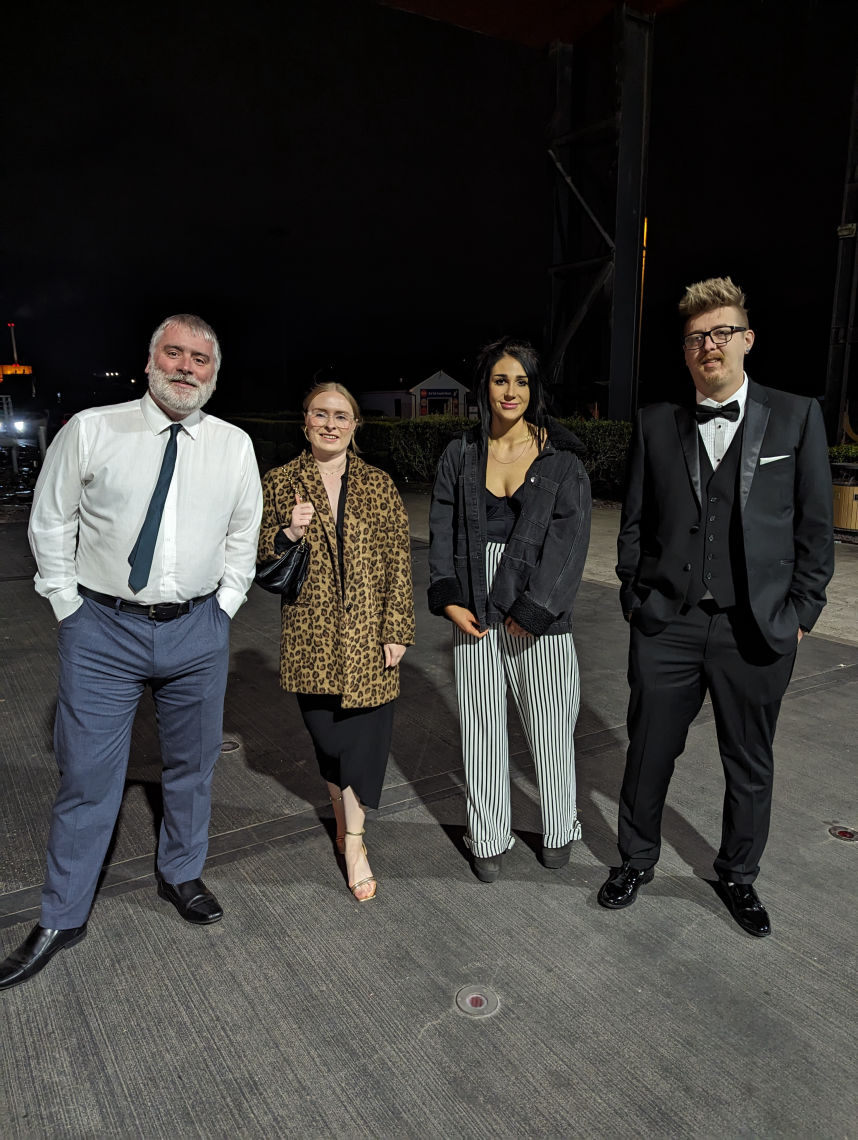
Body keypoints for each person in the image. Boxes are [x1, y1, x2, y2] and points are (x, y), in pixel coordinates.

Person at [0, 314, 262, 992]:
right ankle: (62, 913)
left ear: (214, 372)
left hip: (197, 630)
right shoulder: (94, 429)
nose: (186, 367)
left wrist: (227, 605)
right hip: (103, 631)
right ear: (149, 362)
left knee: (193, 767)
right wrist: (66, 604)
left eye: (200, 358)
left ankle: (181, 873)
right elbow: (51, 518)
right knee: (87, 776)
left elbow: (244, 532)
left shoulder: (233, 446)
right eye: (173, 353)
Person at [599, 277, 834, 936]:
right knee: (648, 751)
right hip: (666, 624)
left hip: (756, 628)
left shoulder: (796, 416)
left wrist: (801, 615)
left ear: (747, 340)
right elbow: (635, 525)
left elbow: (815, 530)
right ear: (685, 351)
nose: (710, 345)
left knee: (749, 762)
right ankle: (635, 860)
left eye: (722, 332)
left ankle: (737, 875)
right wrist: (634, 596)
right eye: (697, 337)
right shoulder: (655, 424)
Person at [428, 337, 592, 882]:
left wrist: (535, 610)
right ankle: (489, 835)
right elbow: (442, 528)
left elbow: (571, 543)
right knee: (481, 727)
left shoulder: (561, 459)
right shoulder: (461, 454)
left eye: (522, 381)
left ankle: (559, 825)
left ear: (535, 389)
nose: (511, 390)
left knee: (550, 725)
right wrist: (449, 599)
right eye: (501, 379)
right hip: (473, 604)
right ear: (484, 386)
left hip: (539, 606)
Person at [258, 382, 414, 902]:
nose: (330, 423)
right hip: (312, 638)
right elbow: (256, 555)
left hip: (370, 637)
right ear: (304, 422)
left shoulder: (378, 484)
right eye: (320, 414)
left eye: (341, 415)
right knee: (329, 742)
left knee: (362, 744)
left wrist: (398, 628)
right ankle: (348, 822)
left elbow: (398, 561)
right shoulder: (280, 482)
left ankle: (354, 841)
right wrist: (287, 534)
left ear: (355, 425)